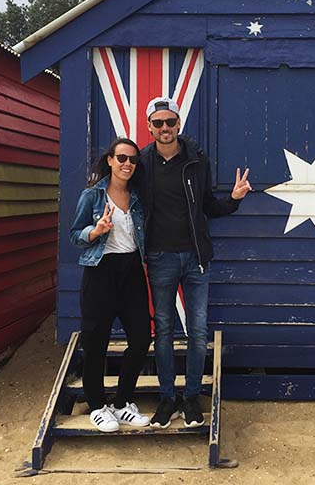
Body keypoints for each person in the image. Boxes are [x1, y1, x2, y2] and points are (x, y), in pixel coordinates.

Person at [139, 97, 251, 429]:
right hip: (159, 257)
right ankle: (166, 398)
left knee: (198, 331)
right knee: (163, 330)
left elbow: (207, 206)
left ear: (178, 124)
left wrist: (233, 200)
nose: (164, 128)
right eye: (158, 123)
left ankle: (190, 398)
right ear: (149, 127)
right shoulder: (141, 163)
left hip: (196, 258)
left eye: (170, 122)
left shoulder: (197, 160)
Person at [69, 137, 151, 432]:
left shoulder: (138, 197)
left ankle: (122, 403)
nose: (127, 164)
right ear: (110, 160)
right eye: (122, 158)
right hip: (100, 271)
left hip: (131, 271)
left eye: (133, 159)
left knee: (141, 338)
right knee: (95, 342)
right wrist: (95, 231)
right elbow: (75, 235)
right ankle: (97, 406)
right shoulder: (92, 196)